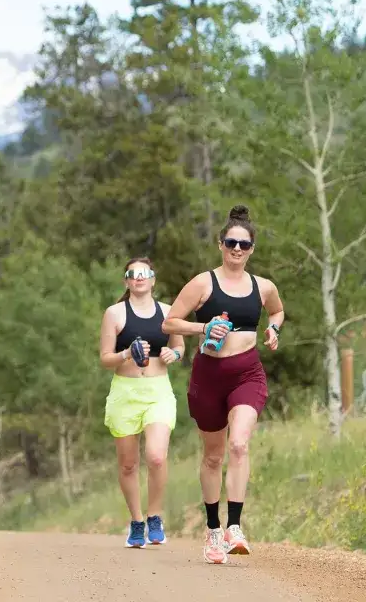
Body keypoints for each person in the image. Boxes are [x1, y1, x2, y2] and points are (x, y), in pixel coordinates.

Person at [161, 204, 284, 565]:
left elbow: (277, 311)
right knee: (213, 455)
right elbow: (170, 323)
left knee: (240, 445)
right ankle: (213, 530)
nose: (236, 249)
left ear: (251, 250)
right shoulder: (203, 283)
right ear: (220, 244)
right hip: (208, 377)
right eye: (231, 242)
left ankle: (234, 527)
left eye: (243, 245)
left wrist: (273, 329)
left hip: (247, 374)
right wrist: (203, 327)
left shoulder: (264, 287)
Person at [97, 257, 184, 549]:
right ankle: (136, 521)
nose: (139, 278)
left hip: (158, 390)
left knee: (157, 456)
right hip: (125, 392)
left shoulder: (169, 312)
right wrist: (126, 354)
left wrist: (176, 355)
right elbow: (105, 358)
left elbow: (179, 346)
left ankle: (154, 516)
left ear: (153, 279)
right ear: (126, 281)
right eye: (132, 274)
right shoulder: (114, 313)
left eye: (144, 273)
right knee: (128, 465)